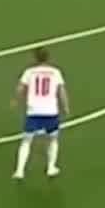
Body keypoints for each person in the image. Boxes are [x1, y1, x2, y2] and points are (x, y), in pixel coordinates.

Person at [13, 48, 69, 181]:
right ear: (48, 58)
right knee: (52, 139)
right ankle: (51, 167)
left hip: (33, 111)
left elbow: (20, 88)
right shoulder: (55, 72)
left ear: (35, 58)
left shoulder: (29, 72)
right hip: (50, 111)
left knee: (26, 141)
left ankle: (19, 171)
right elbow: (61, 91)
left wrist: (16, 100)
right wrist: (65, 106)